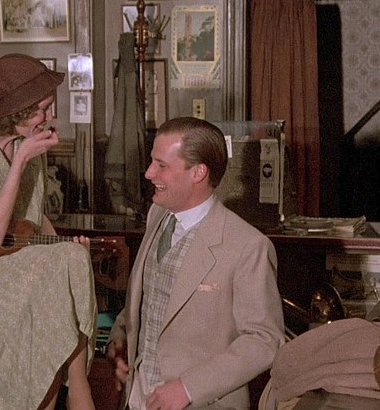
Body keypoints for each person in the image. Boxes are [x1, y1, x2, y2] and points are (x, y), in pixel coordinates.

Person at [0, 54, 96, 410]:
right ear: (16, 111)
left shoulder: (30, 144)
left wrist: (65, 247)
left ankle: (77, 382)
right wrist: (21, 160)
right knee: (59, 269)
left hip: (29, 266)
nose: (49, 117)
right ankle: (71, 391)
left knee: (72, 257)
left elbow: (35, 221)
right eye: (42, 109)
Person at [106, 117, 285, 409]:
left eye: (161, 165)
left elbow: (265, 340)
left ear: (198, 172)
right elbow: (151, 298)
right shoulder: (157, 215)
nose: (149, 173)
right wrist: (120, 339)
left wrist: (188, 388)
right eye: (152, 161)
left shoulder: (248, 246)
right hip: (137, 397)